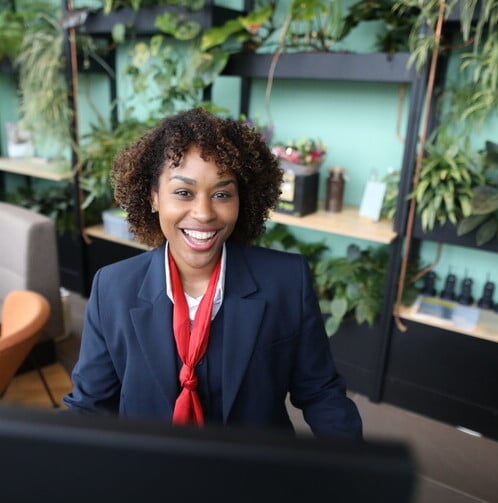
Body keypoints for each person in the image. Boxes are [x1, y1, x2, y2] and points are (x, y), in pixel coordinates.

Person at [63, 107, 363, 439]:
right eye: (183, 193)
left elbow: (321, 392)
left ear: (241, 200)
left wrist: (354, 475)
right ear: (153, 197)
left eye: (221, 194)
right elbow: (90, 408)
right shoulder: (113, 289)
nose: (204, 213)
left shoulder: (286, 283)